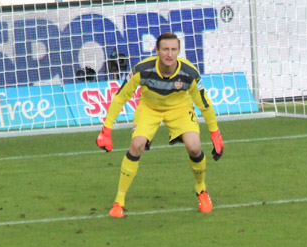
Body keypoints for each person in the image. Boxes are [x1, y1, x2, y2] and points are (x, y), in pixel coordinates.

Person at [96, 32, 224, 218]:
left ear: (179, 51)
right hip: (150, 107)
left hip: (179, 108)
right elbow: (120, 97)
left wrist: (215, 134)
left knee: (194, 147)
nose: (169, 54)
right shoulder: (142, 69)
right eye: (165, 49)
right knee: (137, 144)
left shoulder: (189, 73)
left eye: (173, 50)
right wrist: (106, 131)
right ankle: (119, 201)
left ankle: (201, 189)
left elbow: (204, 104)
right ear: (157, 50)